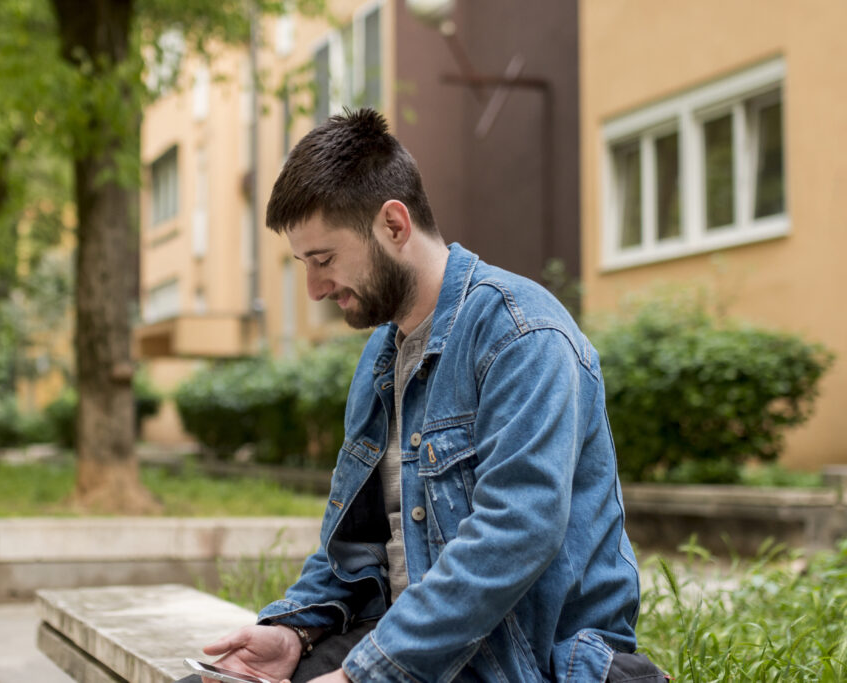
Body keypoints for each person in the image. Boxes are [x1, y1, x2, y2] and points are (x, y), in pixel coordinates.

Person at [185, 109, 664, 683]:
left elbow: (514, 535)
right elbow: (355, 547)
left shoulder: (523, 335)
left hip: (519, 661)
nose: (314, 289)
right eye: (303, 265)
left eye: (324, 260)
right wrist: (294, 630)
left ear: (393, 225)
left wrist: (364, 674)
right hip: (402, 649)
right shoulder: (381, 359)